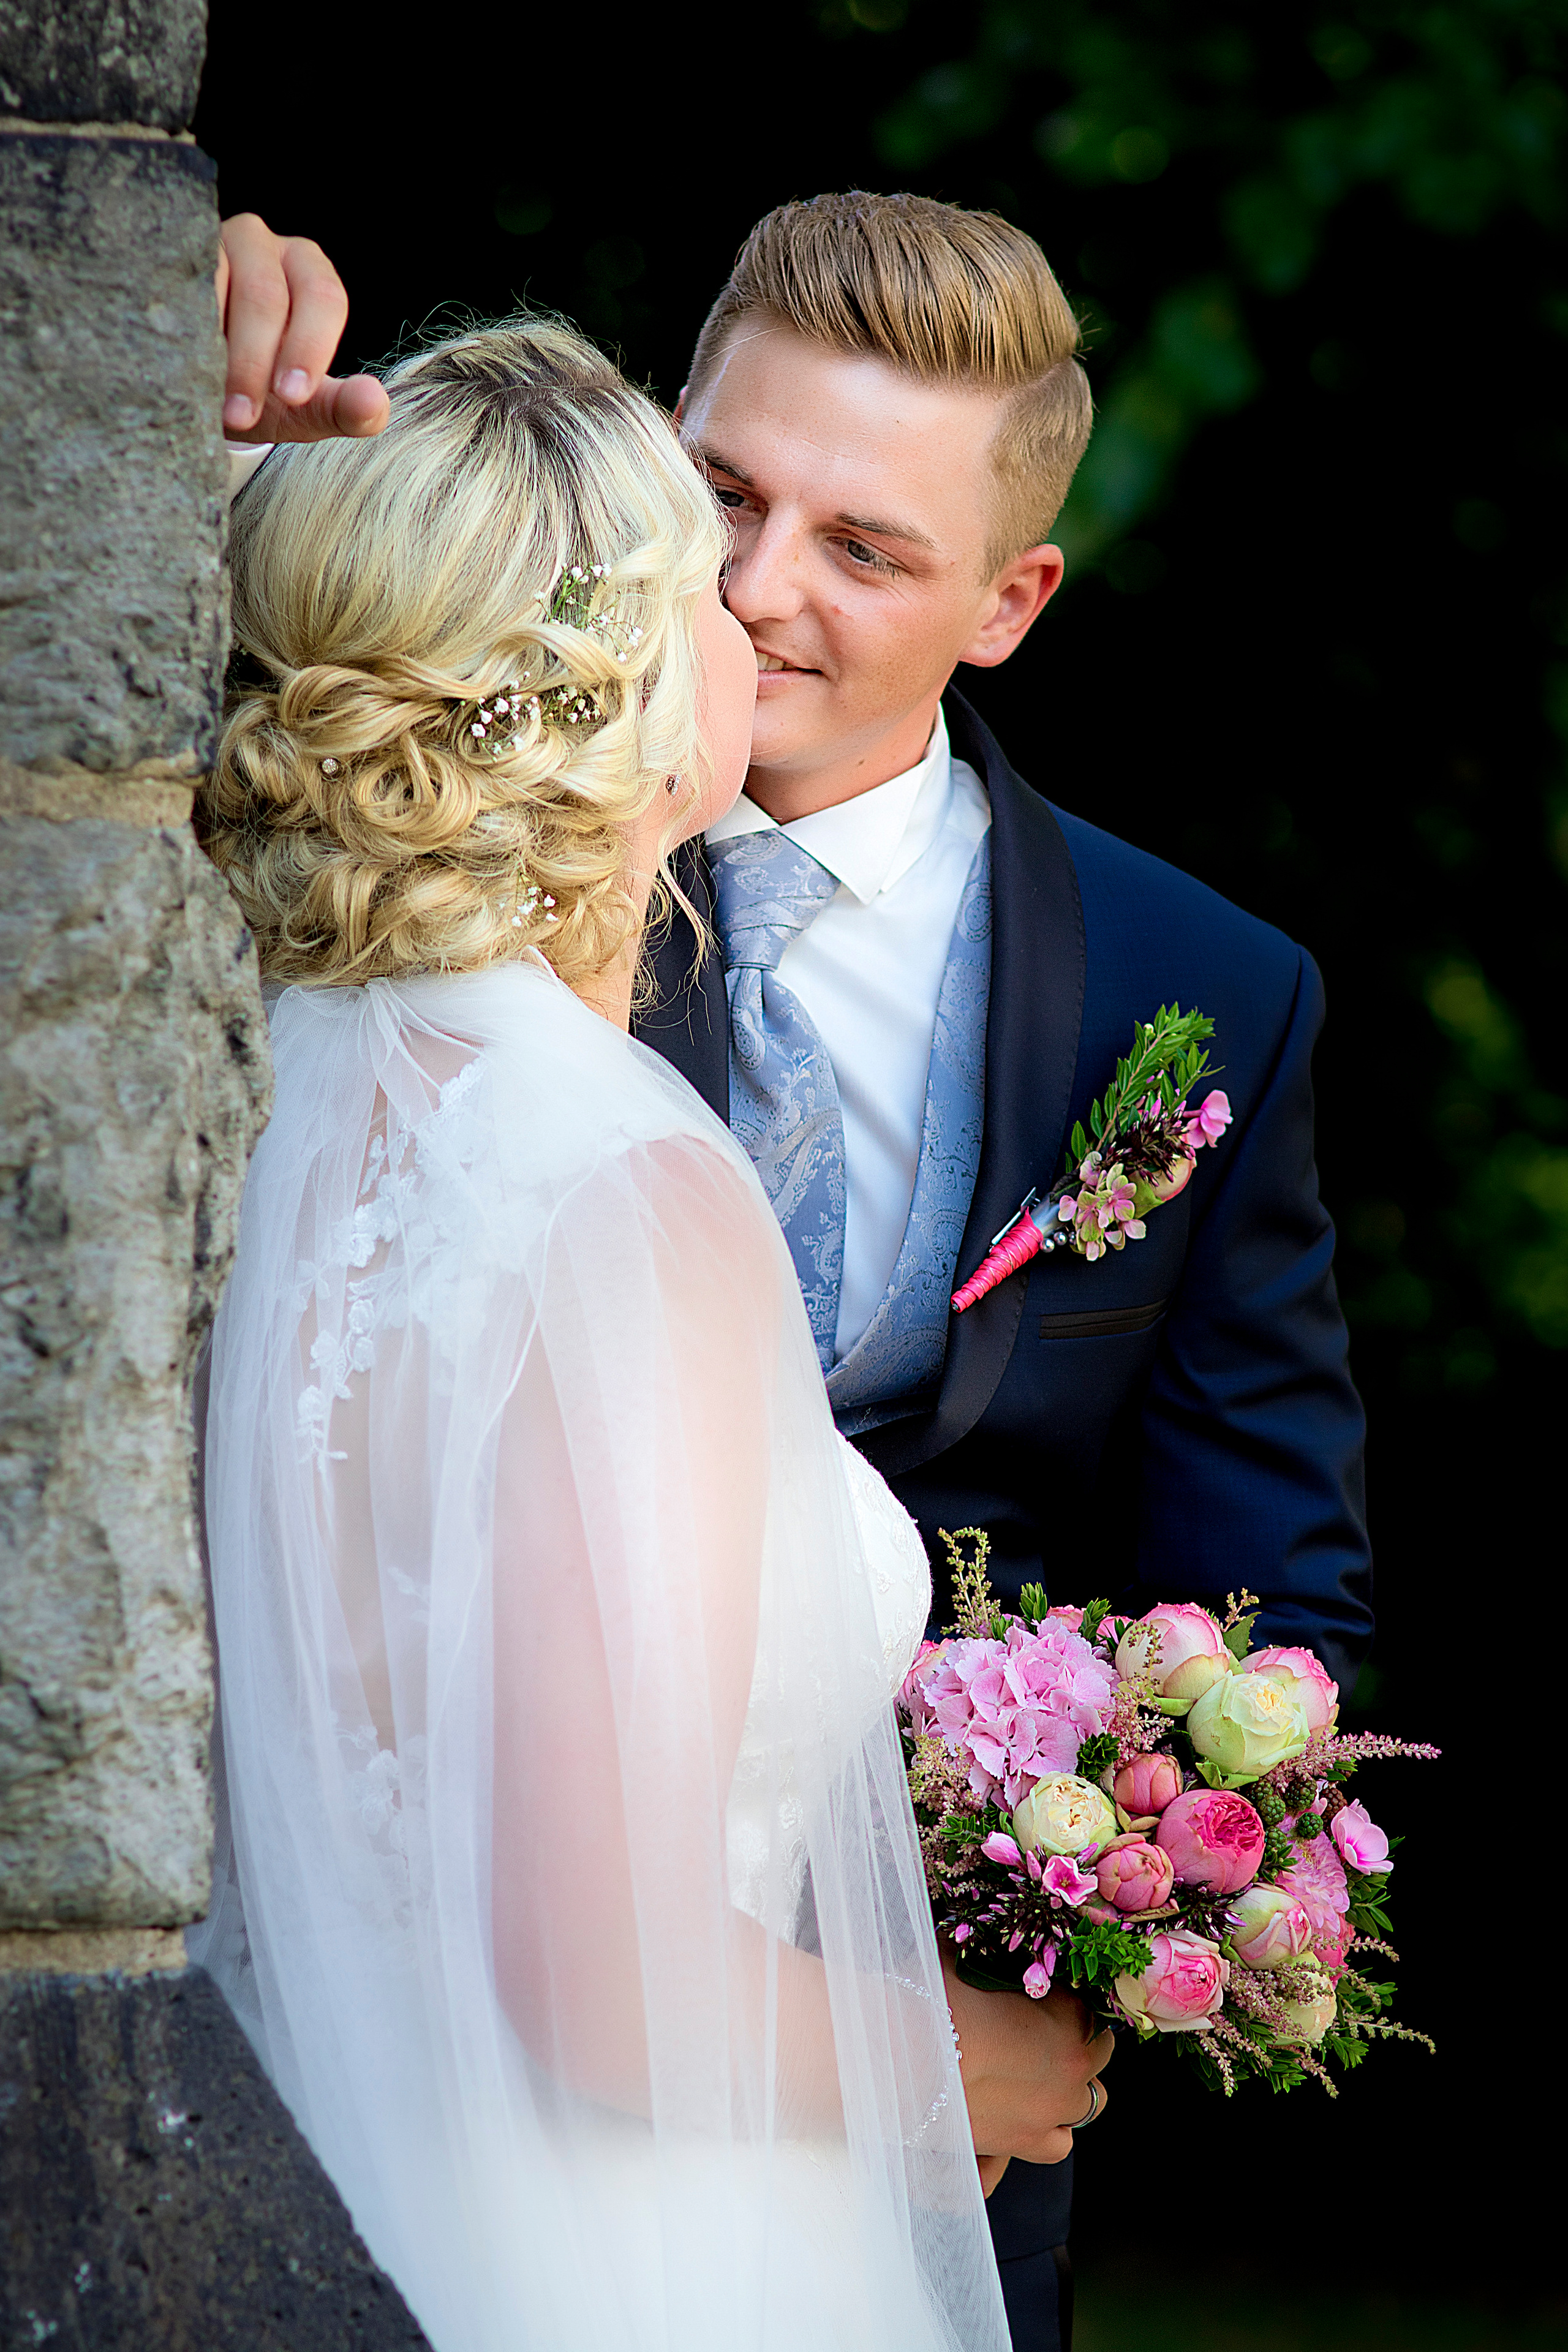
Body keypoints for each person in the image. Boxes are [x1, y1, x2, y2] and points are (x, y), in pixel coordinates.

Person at [188, 301, 1111, 2352]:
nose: (755, 619)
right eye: (706, 572)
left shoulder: (264, 1091)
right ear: (605, 683)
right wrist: (962, 2063)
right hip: (630, 2249)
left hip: (323, 2181)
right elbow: (600, 1981)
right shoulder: (613, 1171)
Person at [630, 192, 1374, 2352]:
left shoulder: (1205, 993)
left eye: (863, 551)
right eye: (721, 495)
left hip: (942, 2086)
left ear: (1008, 601)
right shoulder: (454, 873)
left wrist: (1047, 1968)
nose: (759, 594)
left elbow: (1272, 1599)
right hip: (484, 1968)